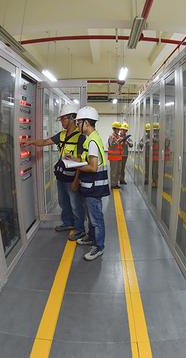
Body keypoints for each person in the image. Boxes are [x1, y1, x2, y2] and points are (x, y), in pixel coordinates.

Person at [21, 103, 86, 239]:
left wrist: (76, 181)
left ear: (71, 119)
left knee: (76, 204)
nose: (61, 121)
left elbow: (82, 161)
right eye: (61, 119)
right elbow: (45, 142)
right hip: (62, 176)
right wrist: (31, 142)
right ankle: (68, 223)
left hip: (73, 177)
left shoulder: (80, 137)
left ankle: (80, 229)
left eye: (63, 118)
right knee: (63, 202)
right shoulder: (61, 135)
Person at [66, 106, 109, 261]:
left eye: (79, 123)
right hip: (90, 186)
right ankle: (91, 238)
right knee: (92, 217)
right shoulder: (91, 139)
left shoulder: (92, 142)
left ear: (87, 123)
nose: (77, 125)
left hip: (94, 187)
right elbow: (86, 160)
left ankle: (99, 247)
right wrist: (73, 160)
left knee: (96, 218)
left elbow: (92, 167)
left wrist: (75, 166)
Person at [108, 121, 123, 189]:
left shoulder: (118, 136)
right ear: (114, 129)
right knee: (114, 171)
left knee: (118, 171)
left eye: (119, 129)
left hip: (118, 157)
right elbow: (111, 145)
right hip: (113, 157)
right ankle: (113, 184)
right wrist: (118, 141)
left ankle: (116, 183)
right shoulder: (111, 136)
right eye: (118, 129)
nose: (119, 130)